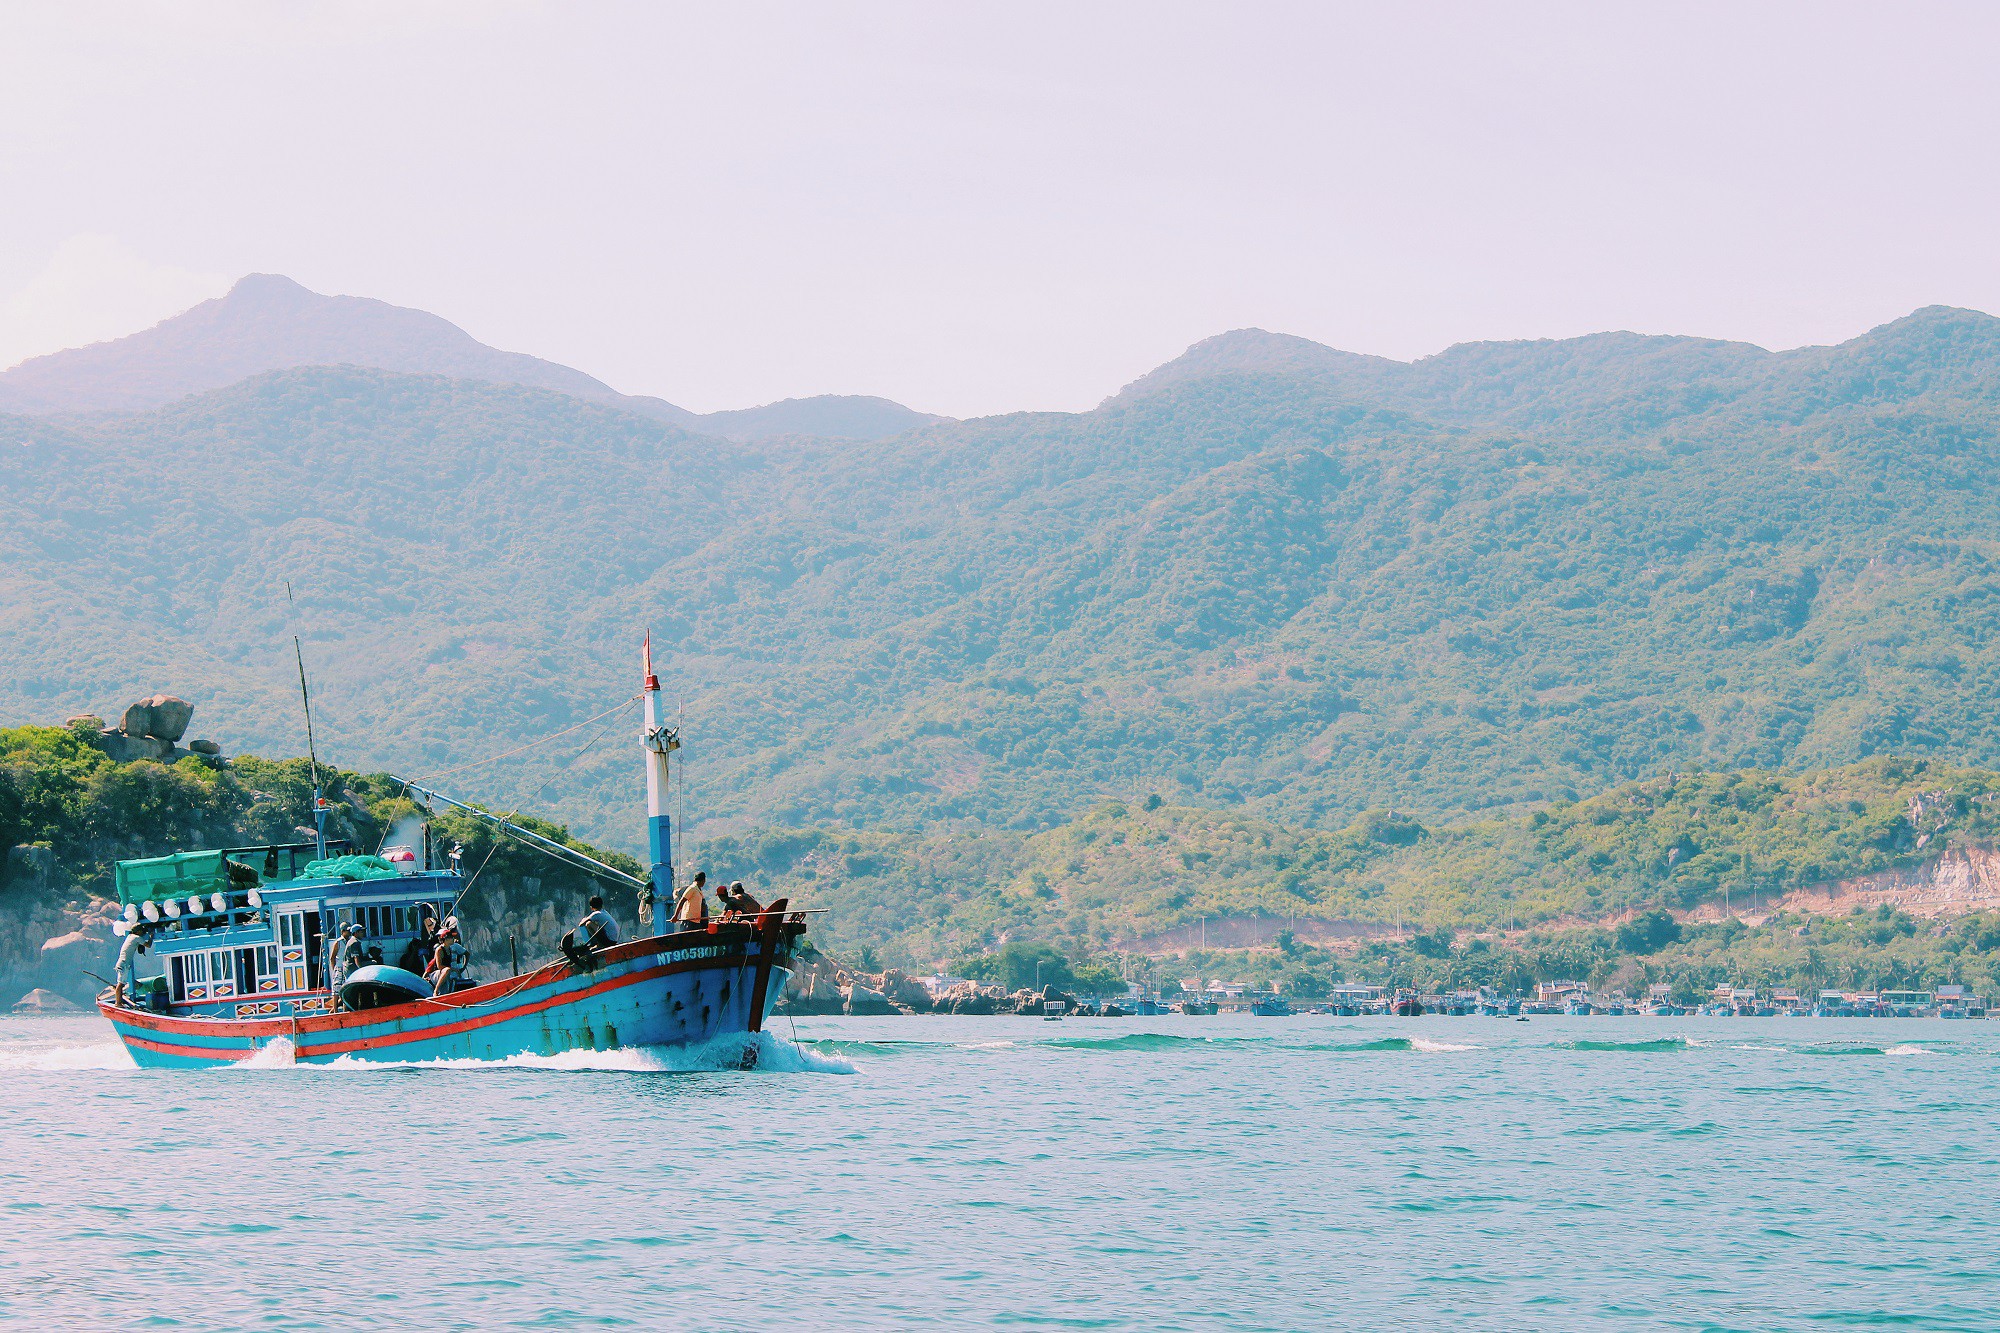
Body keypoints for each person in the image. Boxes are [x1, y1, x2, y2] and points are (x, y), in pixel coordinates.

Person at [114, 925, 150, 1008]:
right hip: (124, 964)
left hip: (122, 963)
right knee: (120, 984)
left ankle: (118, 1002)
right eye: (141, 931)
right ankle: (118, 1003)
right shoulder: (136, 937)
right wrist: (151, 936)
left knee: (121, 983)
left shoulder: (130, 936)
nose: (142, 932)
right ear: (138, 931)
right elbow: (148, 945)